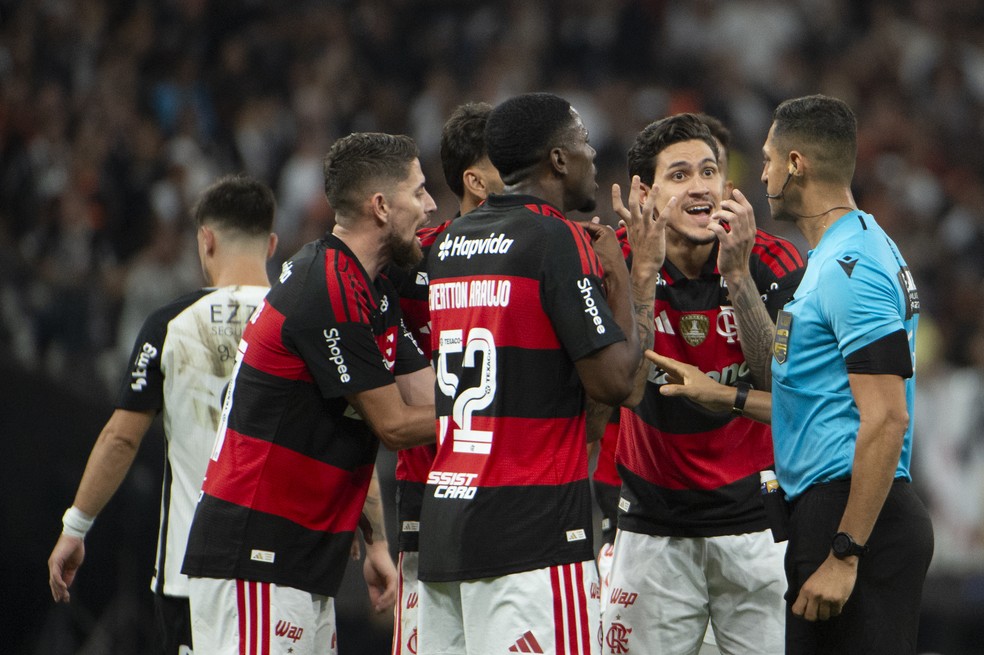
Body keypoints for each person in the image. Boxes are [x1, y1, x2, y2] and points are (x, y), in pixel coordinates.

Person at [648, 94, 934, 655]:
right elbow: (822, 403)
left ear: (796, 164)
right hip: (831, 512)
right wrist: (724, 396)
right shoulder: (841, 254)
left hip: (853, 516)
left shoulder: (851, 268)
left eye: (768, 160)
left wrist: (846, 551)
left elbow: (887, 417)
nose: (762, 175)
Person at [180, 132, 439, 655]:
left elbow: (424, 400)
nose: (431, 204)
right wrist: (504, 408)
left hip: (298, 562)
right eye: (418, 191)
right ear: (381, 206)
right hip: (255, 555)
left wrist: (377, 541)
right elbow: (394, 424)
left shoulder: (371, 291)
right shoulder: (327, 287)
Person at [416, 92, 651, 655]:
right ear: (559, 160)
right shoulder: (554, 237)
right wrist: (631, 279)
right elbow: (616, 383)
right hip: (532, 535)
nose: (594, 154)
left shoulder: (450, 243)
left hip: (446, 530)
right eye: (584, 142)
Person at [47, 173, 279, 655]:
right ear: (272, 244)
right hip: (284, 573)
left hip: (191, 575)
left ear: (205, 240)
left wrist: (76, 527)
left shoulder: (170, 324)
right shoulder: (304, 325)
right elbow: (348, 428)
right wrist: (375, 537)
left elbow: (121, 437)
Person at [600, 113, 806, 655]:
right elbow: (627, 387)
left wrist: (737, 276)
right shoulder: (613, 261)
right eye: (679, 174)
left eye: (709, 171)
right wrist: (643, 275)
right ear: (644, 193)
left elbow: (784, 388)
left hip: (757, 526)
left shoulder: (772, 259)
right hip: (651, 527)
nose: (700, 187)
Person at [388, 102, 503, 655]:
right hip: (433, 500)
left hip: (513, 499)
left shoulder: (547, 252)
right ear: (475, 180)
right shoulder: (408, 265)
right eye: (510, 162)